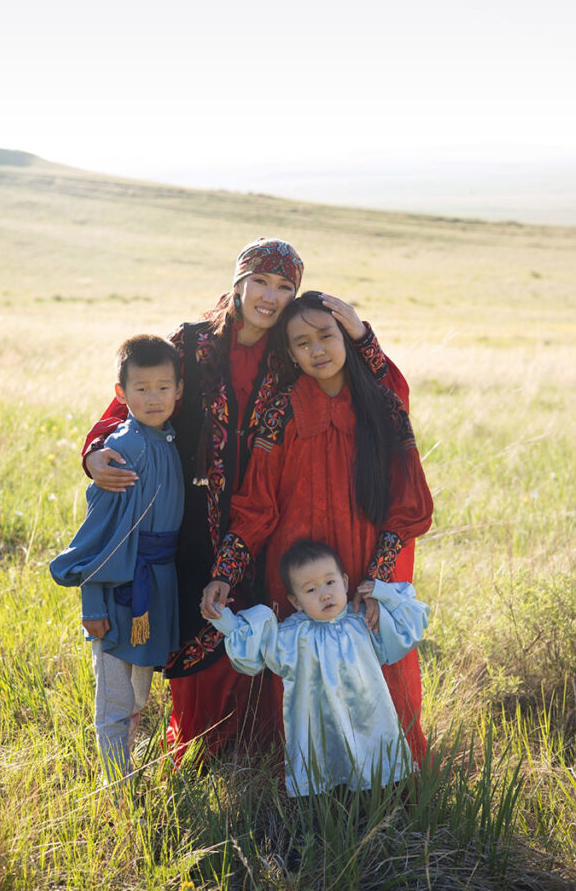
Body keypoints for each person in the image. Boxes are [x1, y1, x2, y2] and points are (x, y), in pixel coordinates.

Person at [82, 239, 414, 759]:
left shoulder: (291, 349)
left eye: (284, 287)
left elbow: (375, 391)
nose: (269, 296)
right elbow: (139, 396)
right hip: (191, 516)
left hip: (267, 514)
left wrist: (361, 334)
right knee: (198, 624)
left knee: (256, 625)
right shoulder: (191, 344)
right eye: (259, 281)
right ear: (238, 282)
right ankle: (200, 746)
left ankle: (259, 747)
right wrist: (96, 450)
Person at [202, 291, 434, 764]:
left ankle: (386, 780)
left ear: (346, 337)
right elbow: (256, 506)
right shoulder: (280, 411)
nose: (317, 350)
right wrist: (225, 571)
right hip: (297, 574)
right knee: (303, 677)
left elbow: (408, 505)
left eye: (326, 335)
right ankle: (308, 782)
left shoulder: (383, 407)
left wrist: (376, 582)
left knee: (372, 673)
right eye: (302, 343)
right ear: (290, 354)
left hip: (361, 567)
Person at [50, 335, 184, 781]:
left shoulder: (168, 440)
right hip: (116, 593)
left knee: (139, 697)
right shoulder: (123, 450)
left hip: (156, 589)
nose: (154, 398)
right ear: (121, 393)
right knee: (115, 699)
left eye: (163, 387)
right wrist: (92, 605)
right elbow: (98, 536)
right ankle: (117, 789)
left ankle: (126, 772)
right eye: (141, 388)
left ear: (179, 391)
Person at [204, 539, 429, 797]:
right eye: (311, 590)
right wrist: (223, 619)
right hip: (318, 724)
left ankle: (382, 801)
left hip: (368, 718)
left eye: (330, 582)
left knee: (377, 771)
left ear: (345, 582)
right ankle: (327, 807)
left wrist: (382, 591)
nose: (325, 594)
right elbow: (257, 646)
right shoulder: (293, 636)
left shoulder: (362, 621)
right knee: (326, 775)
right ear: (296, 601)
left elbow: (406, 627)